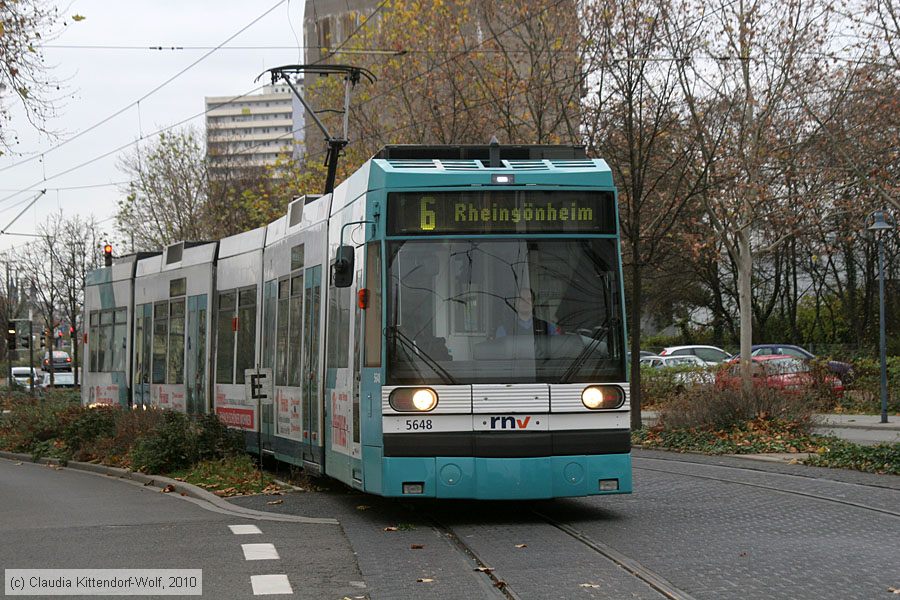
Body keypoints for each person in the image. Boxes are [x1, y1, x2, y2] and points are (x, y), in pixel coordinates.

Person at [495, 287, 560, 338]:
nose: (525, 302)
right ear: (515, 304)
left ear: (533, 304)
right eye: (521, 299)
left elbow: (557, 349)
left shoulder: (549, 327)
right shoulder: (503, 330)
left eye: (529, 299)